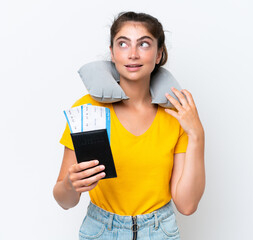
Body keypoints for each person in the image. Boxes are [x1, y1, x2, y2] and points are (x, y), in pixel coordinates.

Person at [53, 11, 205, 239]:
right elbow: (64, 201)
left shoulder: (176, 115)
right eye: (123, 44)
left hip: (159, 231)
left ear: (158, 54)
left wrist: (197, 135)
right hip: (102, 230)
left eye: (144, 44)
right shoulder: (87, 110)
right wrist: (70, 185)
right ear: (112, 53)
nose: (133, 54)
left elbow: (187, 205)